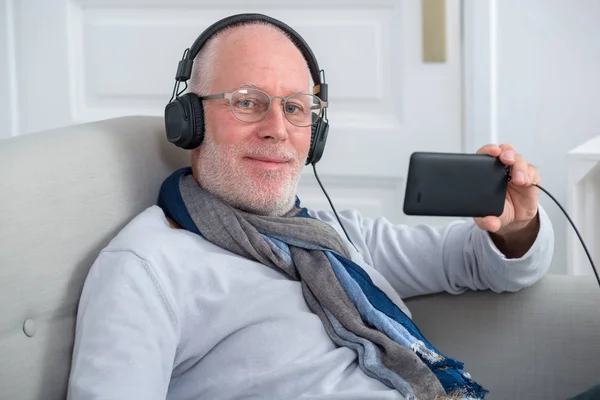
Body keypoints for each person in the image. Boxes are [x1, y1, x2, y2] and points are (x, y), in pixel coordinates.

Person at [66, 14, 555, 400]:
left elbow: (487, 265)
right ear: (189, 120)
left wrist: (516, 225)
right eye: (247, 102)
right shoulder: (148, 269)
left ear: (314, 134)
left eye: (296, 108)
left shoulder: (328, 235)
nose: (277, 128)